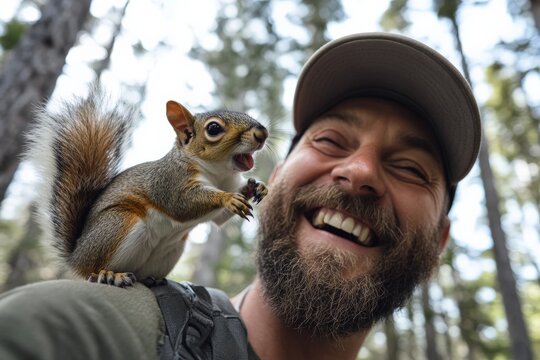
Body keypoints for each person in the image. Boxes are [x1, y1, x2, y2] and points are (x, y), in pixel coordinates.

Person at [0, 32, 481, 360]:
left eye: (411, 168)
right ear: (280, 180)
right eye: (331, 141)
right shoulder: (88, 330)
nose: (359, 172)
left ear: (440, 243)